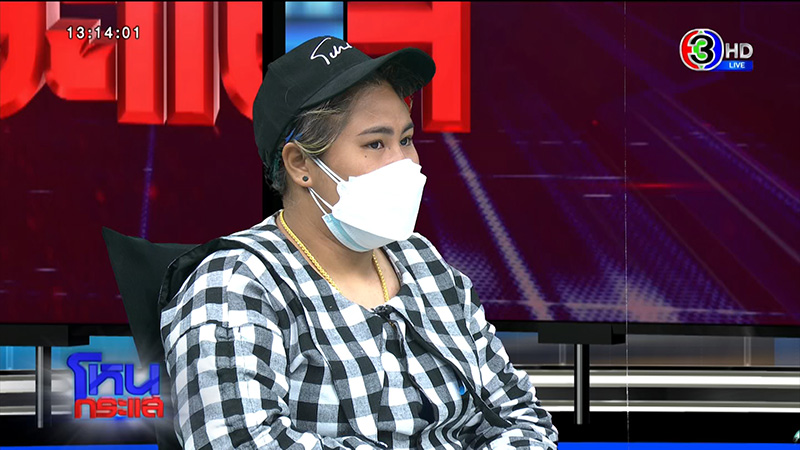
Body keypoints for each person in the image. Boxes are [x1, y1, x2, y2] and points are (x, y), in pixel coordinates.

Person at [158, 35, 558, 449]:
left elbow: (520, 417)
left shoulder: (423, 262)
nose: (403, 162)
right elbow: (238, 441)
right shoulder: (236, 285)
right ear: (300, 164)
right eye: (375, 144)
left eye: (405, 139)